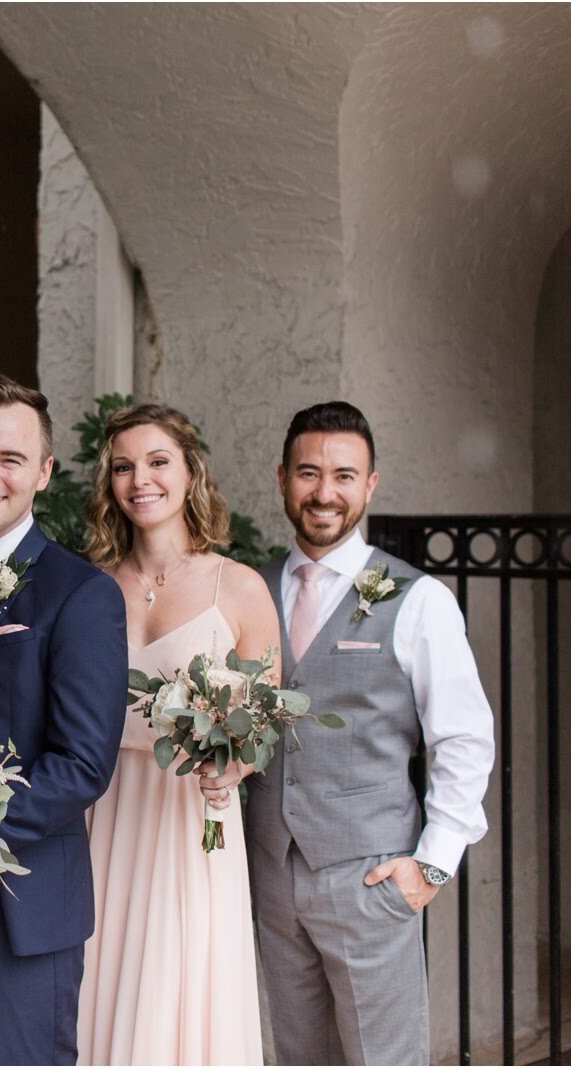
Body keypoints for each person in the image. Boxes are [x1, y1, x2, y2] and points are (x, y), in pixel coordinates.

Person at [240, 401, 495, 1065]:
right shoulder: (251, 589)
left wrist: (433, 863)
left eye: (344, 476)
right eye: (308, 473)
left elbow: (463, 739)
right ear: (282, 478)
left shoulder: (418, 599)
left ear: (370, 485)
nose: (325, 492)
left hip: (368, 875)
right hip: (271, 872)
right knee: (299, 1057)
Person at [0, 374, 128, 1065]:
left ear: (43, 472)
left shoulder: (81, 594)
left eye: (9, 459)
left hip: (17, 904)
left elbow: (82, 765)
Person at [74, 404, 274, 1065]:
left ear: (191, 472)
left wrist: (234, 767)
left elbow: (267, 716)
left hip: (192, 821)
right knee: (99, 978)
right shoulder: (89, 588)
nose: (141, 480)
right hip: (104, 816)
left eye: (158, 462)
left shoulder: (238, 587)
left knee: (179, 985)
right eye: (124, 467)